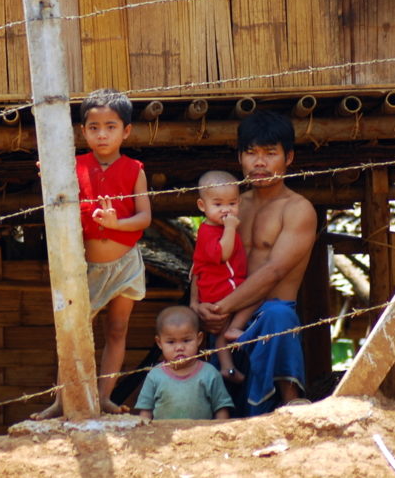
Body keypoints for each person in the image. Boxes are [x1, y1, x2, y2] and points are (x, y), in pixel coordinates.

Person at [32, 88, 152, 419]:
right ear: (82, 131)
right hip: (86, 268)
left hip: (126, 263)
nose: (102, 134)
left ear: (126, 131)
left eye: (111, 127)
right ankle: (62, 399)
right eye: (94, 127)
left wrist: (117, 222)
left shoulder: (134, 169)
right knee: (73, 331)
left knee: (116, 330)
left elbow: (145, 217)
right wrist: (51, 178)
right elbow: (57, 200)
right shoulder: (73, 166)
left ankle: (104, 397)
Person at [192, 109, 317, 416]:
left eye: (270, 153)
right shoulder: (228, 205)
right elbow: (201, 259)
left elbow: (274, 271)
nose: (259, 162)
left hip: (263, 313)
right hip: (219, 311)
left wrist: (222, 309)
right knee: (180, 323)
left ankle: (290, 400)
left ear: (289, 157)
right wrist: (198, 306)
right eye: (251, 153)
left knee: (278, 315)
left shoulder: (298, 209)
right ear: (240, 158)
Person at [190, 170, 257, 384]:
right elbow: (223, 253)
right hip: (220, 287)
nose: (226, 210)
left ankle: (227, 368)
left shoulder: (217, 227)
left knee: (220, 333)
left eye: (232, 204)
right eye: (218, 205)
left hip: (222, 285)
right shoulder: (208, 231)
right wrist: (230, 228)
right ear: (202, 206)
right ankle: (237, 327)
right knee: (255, 296)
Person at [135, 306, 234, 420]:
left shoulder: (210, 374)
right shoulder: (155, 375)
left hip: (200, 436)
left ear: (199, 339)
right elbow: (145, 413)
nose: (179, 347)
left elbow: (221, 409)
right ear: (159, 343)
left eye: (186, 340)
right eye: (171, 342)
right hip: (165, 436)